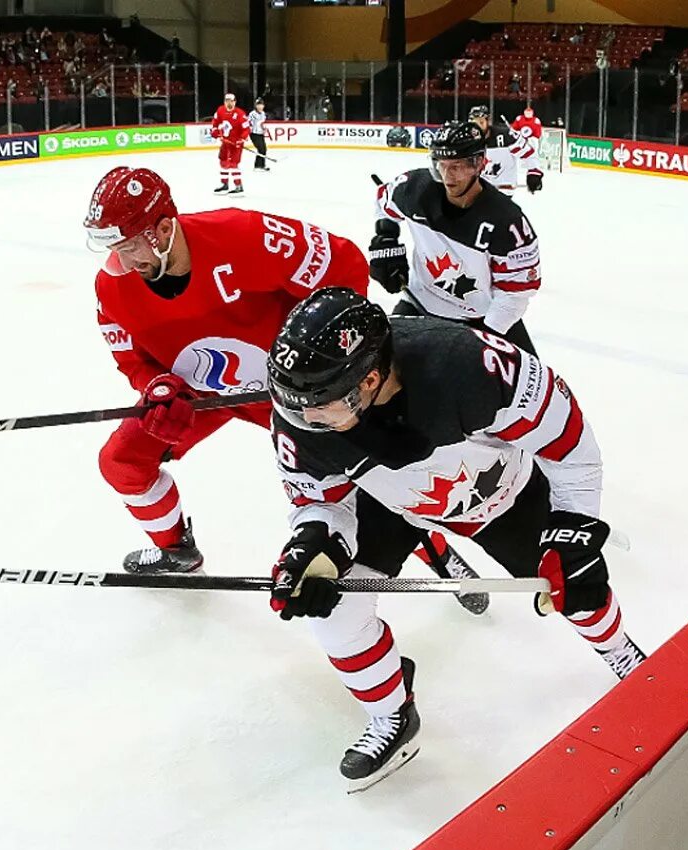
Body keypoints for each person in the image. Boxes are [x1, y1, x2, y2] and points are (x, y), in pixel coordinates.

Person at [265, 288, 646, 789]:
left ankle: (620, 650)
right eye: (294, 408)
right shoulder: (306, 414)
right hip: (390, 501)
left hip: (497, 495)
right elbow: (320, 499)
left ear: (371, 379)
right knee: (336, 612)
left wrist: (574, 528)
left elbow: (569, 440)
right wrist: (313, 543)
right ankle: (393, 716)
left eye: (320, 410)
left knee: (576, 587)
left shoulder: (467, 364)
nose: (305, 423)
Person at [82, 166, 490, 600]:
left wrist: (328, 368)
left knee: (370, 471)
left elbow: (345, 264)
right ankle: (176, 549)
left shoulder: (243, 235)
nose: (122, 263)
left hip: (301, 392)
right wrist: (159, 388)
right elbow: (131, 359)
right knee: (123, 459)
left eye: (128, 247)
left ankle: (437, 551)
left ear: (163, 229)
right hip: (202, 397)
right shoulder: (112, 286)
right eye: (113, 250)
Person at [368, 121, 542, 354]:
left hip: (478, 320)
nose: (448, 176)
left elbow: (515, 293)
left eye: (457, 166)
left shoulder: (508, 223)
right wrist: (386, 241)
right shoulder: (414, 189)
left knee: (528, 385)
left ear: (479, 163)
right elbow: (384, 202)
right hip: (420, 303)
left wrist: (486, 337)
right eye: (442, 165)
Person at [468, 105, 544, 194]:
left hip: (503, 191)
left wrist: (533, 172)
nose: (478, 127)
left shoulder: (506, 136)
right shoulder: (468, 140)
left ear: (488, 122)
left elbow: (528, 153)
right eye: (474, 124)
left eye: (481, 122)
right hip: (479, 192)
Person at [210, 92, 250, 194]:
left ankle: (238, 185)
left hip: (236, 143)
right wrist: (214, 130)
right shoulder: (220, 110)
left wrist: (241, 139)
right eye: (227, 101)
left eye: (231, 101)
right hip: (225, 142)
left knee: (233, 164)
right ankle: (224, 184)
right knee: (223, 161)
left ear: (235, 102)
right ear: (224, 102)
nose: (229, 103)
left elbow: (246, 129)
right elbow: (215, 122)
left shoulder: (240, 114)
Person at [247, 97, 269, 171]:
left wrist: (264, 129)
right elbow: (248, 123)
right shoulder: (252, 114)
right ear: (255, 106)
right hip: (254, 134)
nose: (260, 106)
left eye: (261, 105)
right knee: (260, 149)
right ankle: (257, 165)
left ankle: (262, 165)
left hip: (260, 133)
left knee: (264, 149)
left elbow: (262, 123)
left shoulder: (263, 114)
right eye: (258, 105)